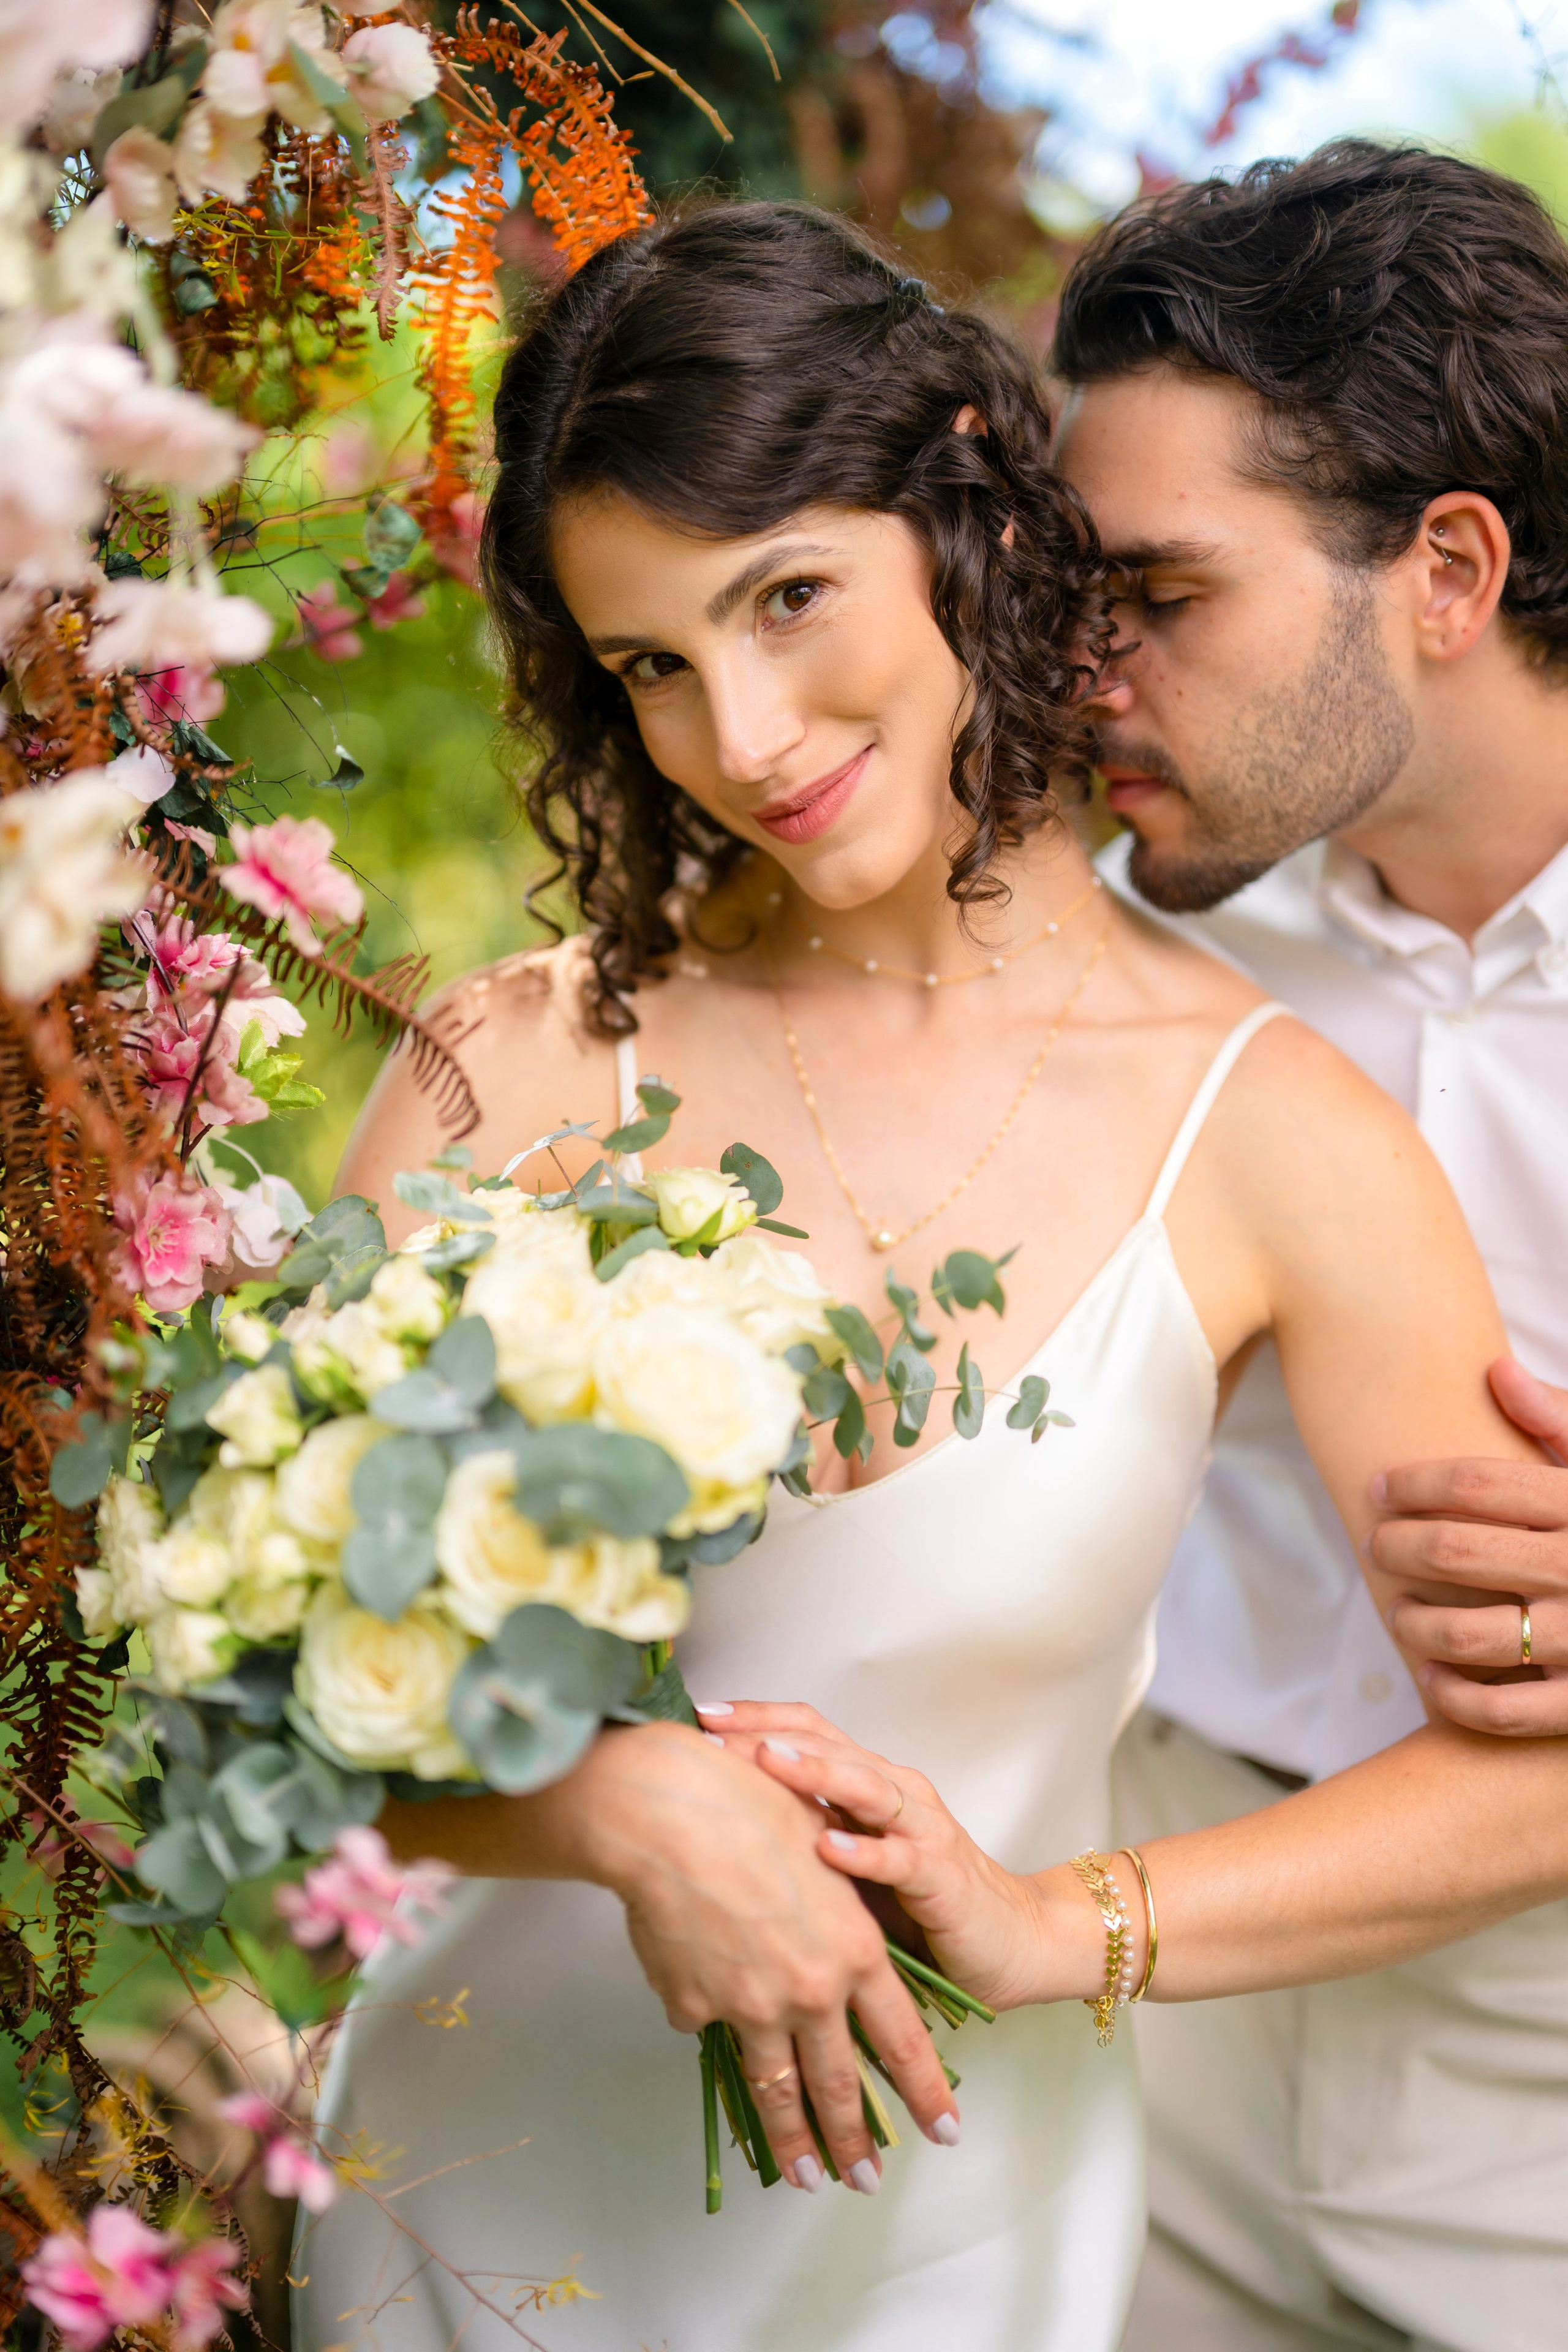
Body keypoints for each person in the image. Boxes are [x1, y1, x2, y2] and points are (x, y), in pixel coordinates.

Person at [295, 202, 1568, 2352]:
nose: (748, 728)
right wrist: (633, 1799)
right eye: (650, 666)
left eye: (794, 597)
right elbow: (261, 1669)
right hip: (483, 2185)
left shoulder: (1255, 1101)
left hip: (1097, 2141)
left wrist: (1055, 1924)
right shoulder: (507, 1057)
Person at [1047, 141, 1568, 2352]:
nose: (1084, 675)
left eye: (1160, 597)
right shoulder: (1097, 957)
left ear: (1446, 570)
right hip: (1146, 1979)